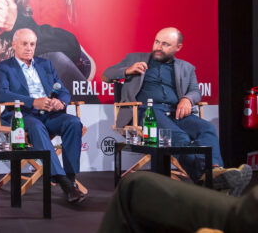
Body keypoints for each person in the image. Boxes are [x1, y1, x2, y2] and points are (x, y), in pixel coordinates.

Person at [103, 27, 252, 195]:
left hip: (176, 112)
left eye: (165, 44)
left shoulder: (186, 67)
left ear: (178, 47)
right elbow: (106, 75)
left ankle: (214, 172)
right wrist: (127, 70)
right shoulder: (134, 58)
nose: (158, 47)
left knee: (207, 128)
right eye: (157, 42)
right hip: (146, 112)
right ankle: (210, 177)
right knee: (178, 136)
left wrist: (187, 99)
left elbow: (195, 91)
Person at [0, 28, 87, 203]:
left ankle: (71, 178)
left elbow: (62, 90)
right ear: (14, 44)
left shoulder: (46, 65)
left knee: (73, 122)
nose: (29, 48)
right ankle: (64, 184)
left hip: (49, 114)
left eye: (32, 44)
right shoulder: (5, 67)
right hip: (22, 115)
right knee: (36, 127)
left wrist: (61, 102)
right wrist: (32, 102)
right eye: (24, 44)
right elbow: (2, 95)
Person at [98, 171, 257, 233]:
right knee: (177, 132)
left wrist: (188, 105)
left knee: (133, 188)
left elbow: (193, 97)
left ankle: (212, 170)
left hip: (247, 217)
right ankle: (209, 174)